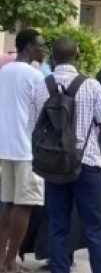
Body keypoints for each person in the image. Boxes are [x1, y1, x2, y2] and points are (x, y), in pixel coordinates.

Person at [29, 37, 101, 273]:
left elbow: (33, 129)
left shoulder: (41, 86)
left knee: (58, 225)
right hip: (87, 164)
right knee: (95, 228)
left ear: (52, 57)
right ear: (76, 55)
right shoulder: (91, 85)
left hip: (54, 165)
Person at [0, 29, 45, 273]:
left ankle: (1, 260)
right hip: (27, 149)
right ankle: (10, 261)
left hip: (5, 147)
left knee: (8, 203)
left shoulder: (4, 72)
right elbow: (43, 113)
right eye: (40, 45)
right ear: (29, 47)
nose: (42, 49)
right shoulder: (34, 76)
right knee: (24, 205)